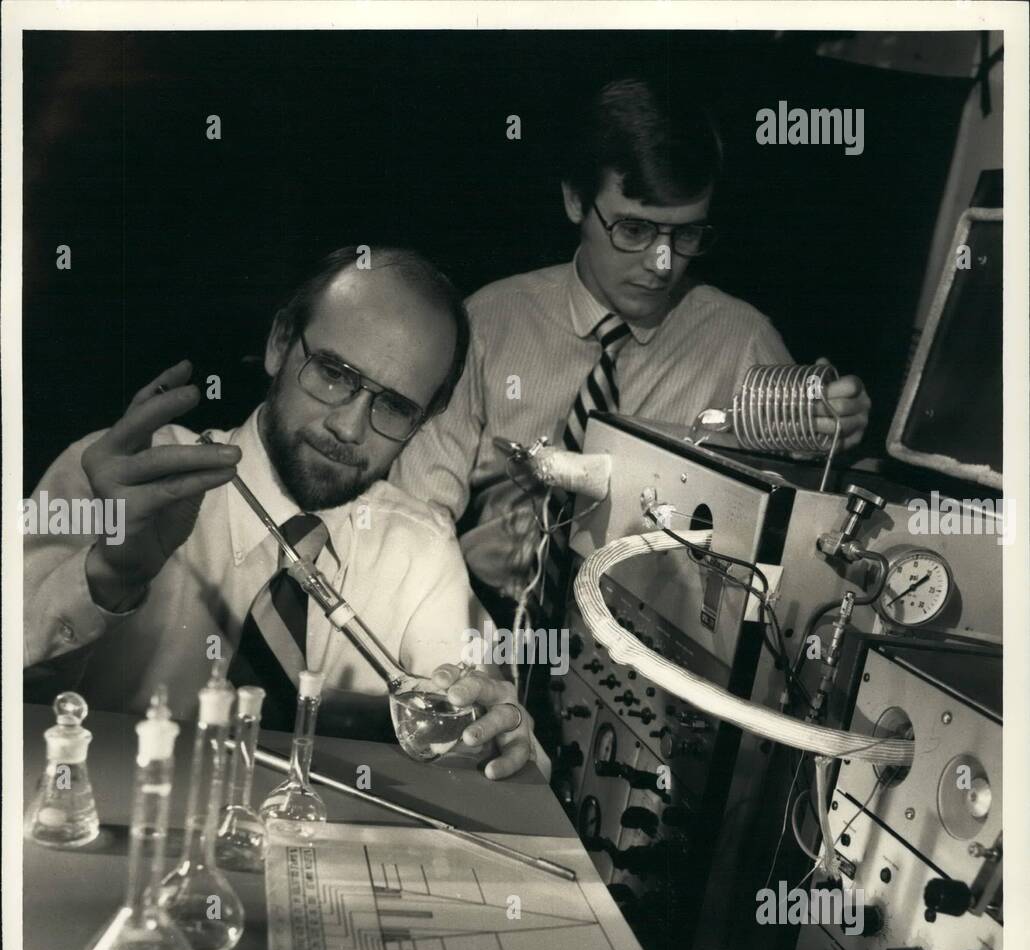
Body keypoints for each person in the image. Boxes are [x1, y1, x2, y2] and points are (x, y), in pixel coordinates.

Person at [23, 246, 536, 781]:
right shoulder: (122, 479)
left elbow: (474, 729)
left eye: (395, 406)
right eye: (335, 374)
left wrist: (489, 730)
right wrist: (108, 576)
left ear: (425, 419)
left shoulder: (422, 546)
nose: (350, 428)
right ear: (279, 344)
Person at [390, 77, 872, 608]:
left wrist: (828, 431)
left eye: (685, 235)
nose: (662, 264)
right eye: (635, 231)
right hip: (487, 617)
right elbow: (417, 513)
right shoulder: (489, 321)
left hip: (651, 643)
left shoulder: (742, 341)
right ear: (576, 200)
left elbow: (795, 528)